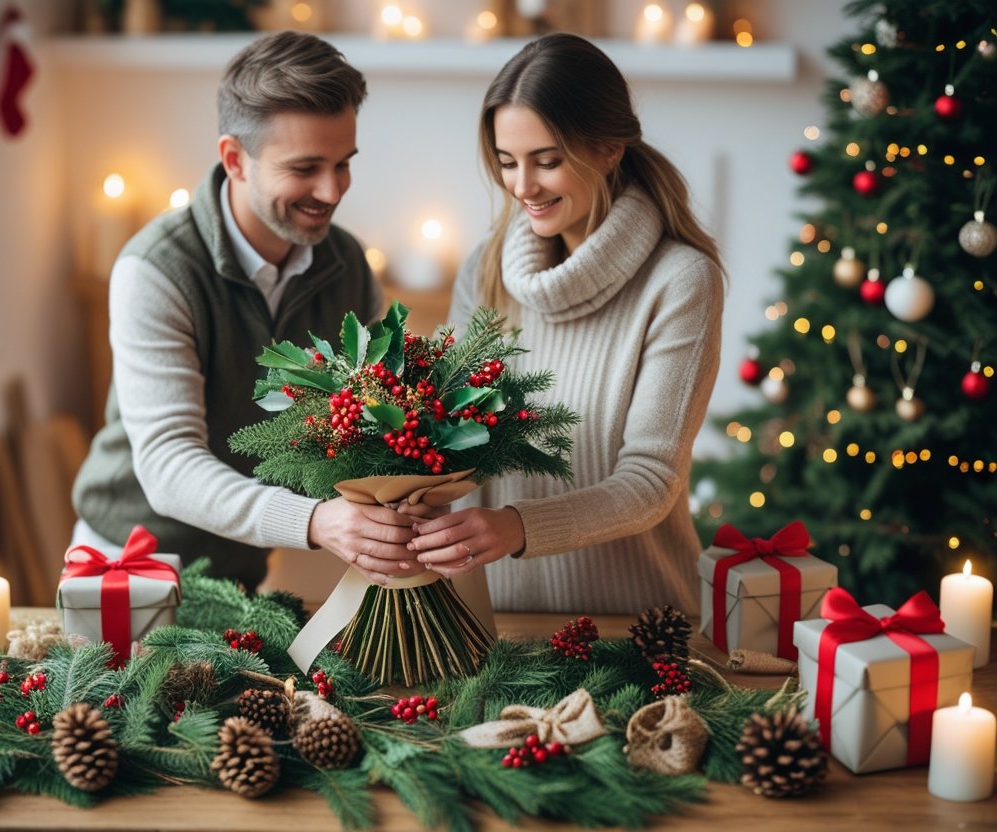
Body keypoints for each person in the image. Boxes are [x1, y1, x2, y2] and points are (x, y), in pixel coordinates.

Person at [71, 31, 422, 592]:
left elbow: (378, 413)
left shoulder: (349, 264)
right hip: (129, 566)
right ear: (235, 159)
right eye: (305, 168)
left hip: (244, 569)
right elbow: (169, 465)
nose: (332, 191)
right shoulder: (155, 270)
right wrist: (311, 521)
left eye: (343, 164)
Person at [408, 33, 725, 614]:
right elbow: (445, 425)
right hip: (492, 626)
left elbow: (650, 482)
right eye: (507, 163)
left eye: (547, 160)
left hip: (634, 630)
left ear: (608, 149)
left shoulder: (680, 281)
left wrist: (516, 527)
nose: (522, 186)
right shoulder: (486, 267)